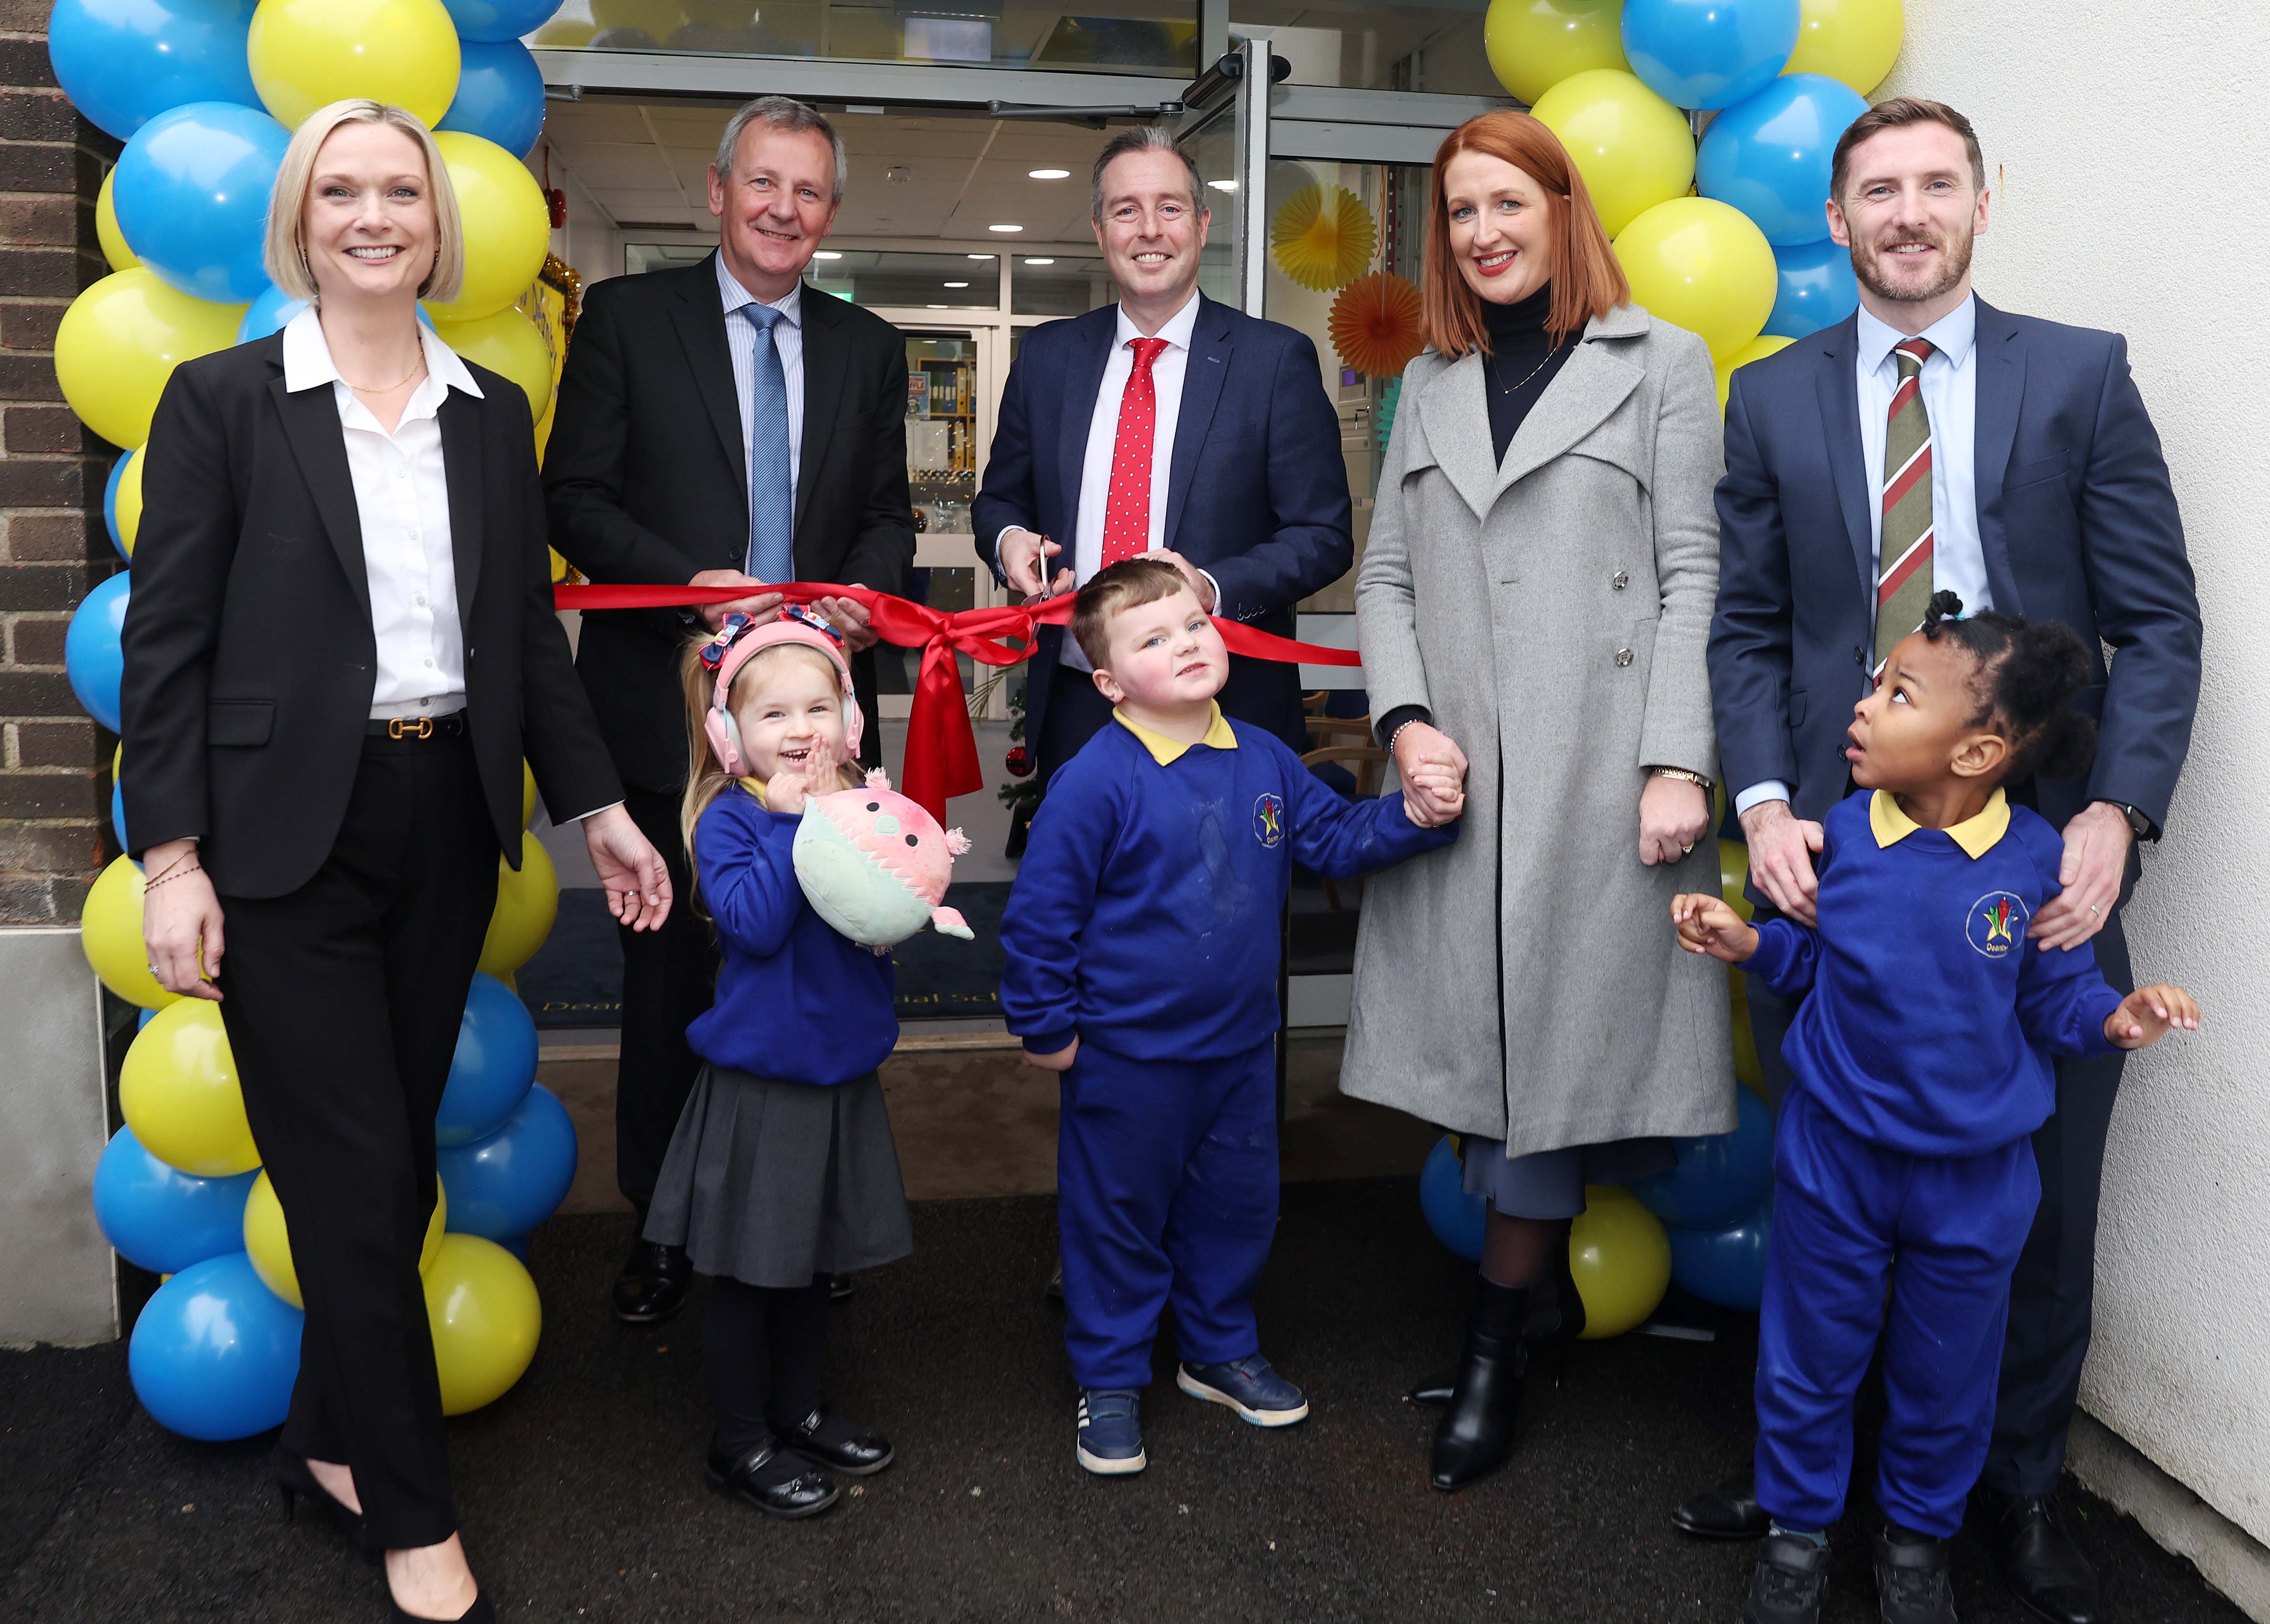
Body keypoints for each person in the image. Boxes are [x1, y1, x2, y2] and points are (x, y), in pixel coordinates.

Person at [120, 101, 672, 1624]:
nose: (376, 215)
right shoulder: (221, 399)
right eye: (343, 191)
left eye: (402, 194)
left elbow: (525, 644)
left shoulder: (493, 408)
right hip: (279, 842)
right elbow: (164, 647)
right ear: (302, 219)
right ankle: (415, 1515)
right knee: (357, 1186)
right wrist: (170, 858)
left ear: (438, 227)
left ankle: (319, 1437)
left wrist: (604, 808)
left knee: (385, 1160)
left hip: (442, 831)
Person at [1697, 99, 2202, 1624]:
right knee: (1839, 1197)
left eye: (1934, 186)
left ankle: (2021, 1490)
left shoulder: (2081, 375)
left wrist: (2115, 816)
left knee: (2037, 1203)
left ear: (1983, 201)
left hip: (2034, 863)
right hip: (1841, 870)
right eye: (1875, 192)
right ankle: (1816, 1500)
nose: (1906, 213)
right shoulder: (1773, 397)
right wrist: (1771, 803)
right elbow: (1749, 627)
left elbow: (2159, 623)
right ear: (1839, 220)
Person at [1338, 108, 1734, 1492]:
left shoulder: (1662, 364)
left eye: (1508, 203)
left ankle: (1500, 1345)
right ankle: (1539, 1309)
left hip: (1598, 775)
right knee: (1493, 1064)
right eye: (1460, 212)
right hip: (1463, 774)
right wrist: (1401, 723)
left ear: (1567, 210)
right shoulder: (1429, 386)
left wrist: (1679, 757)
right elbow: (1382, 574)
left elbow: (1696, 570)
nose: (1484, 232)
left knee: (1551, 1068)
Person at [1675, 593, 2201, 1624]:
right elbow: (1815, 958)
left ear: (1975, 753)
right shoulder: (1840, 835)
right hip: (1836, 1161)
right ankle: (1795, 1533)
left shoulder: (2032, 862)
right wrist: (1751, 943)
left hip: (1973, 1182)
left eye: (1897, 693)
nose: (1864, 706)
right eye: (1875, 684)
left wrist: (2114, 1020)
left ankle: (1916, 1543)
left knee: (1945, 1374)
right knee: (1808, 1355)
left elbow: (2053, 1002)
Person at [545, 94, 915, 1327]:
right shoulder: (627, 320)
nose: (782, 210)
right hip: (668, 712)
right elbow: (573, 500)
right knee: (672, 991)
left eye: (808, 192)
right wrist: (687, 585)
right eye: (763, 184)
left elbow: (888, 515)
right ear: (716, 191)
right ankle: (662, 1232)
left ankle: (812, 1229)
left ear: (832, 213)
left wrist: (868, 587)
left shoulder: (867, 348)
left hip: (811, 733)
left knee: (814, 983)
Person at [999, 557, 1461, 1476]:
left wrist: (1412, 814)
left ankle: (1215, 1348)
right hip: (1126, 1060)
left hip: (1243, 1051)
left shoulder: (1263, 754)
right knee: (1116, 1220)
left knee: (1235, 1210)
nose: (1186, 644)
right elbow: (1039, 918)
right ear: (1107, 681)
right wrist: (1046, 1029)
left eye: (1194, 626)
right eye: (1153, 638)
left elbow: (1333, 838)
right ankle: (1113, 1376)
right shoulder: (1095, 782)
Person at [972, 125, 1352, 786]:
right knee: (1083, 888)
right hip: (1079, 703)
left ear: (1202, 226)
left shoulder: (1272, 362)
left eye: (1170, 208)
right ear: (1099, 230)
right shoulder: (1046, 359)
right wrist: (1008, 542)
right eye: (1126, 210)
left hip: (1226, 712)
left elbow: (1322, 536)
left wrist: (1209, 587)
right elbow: (1001, 498)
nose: (1149, 229)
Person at [645, 605, 914, 1521]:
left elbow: (883, 917)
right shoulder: (730, 823)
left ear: (850, 721)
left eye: (817, 709)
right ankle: (738, 1440)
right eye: (773, 716)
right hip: (763, 1084)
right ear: (729, 737)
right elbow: (756, 927)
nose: (799, 732)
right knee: (751, 1272)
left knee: (807, 1264)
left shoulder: (861, 807)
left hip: (838, 1070)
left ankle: (798, 1408)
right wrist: (798, 824)